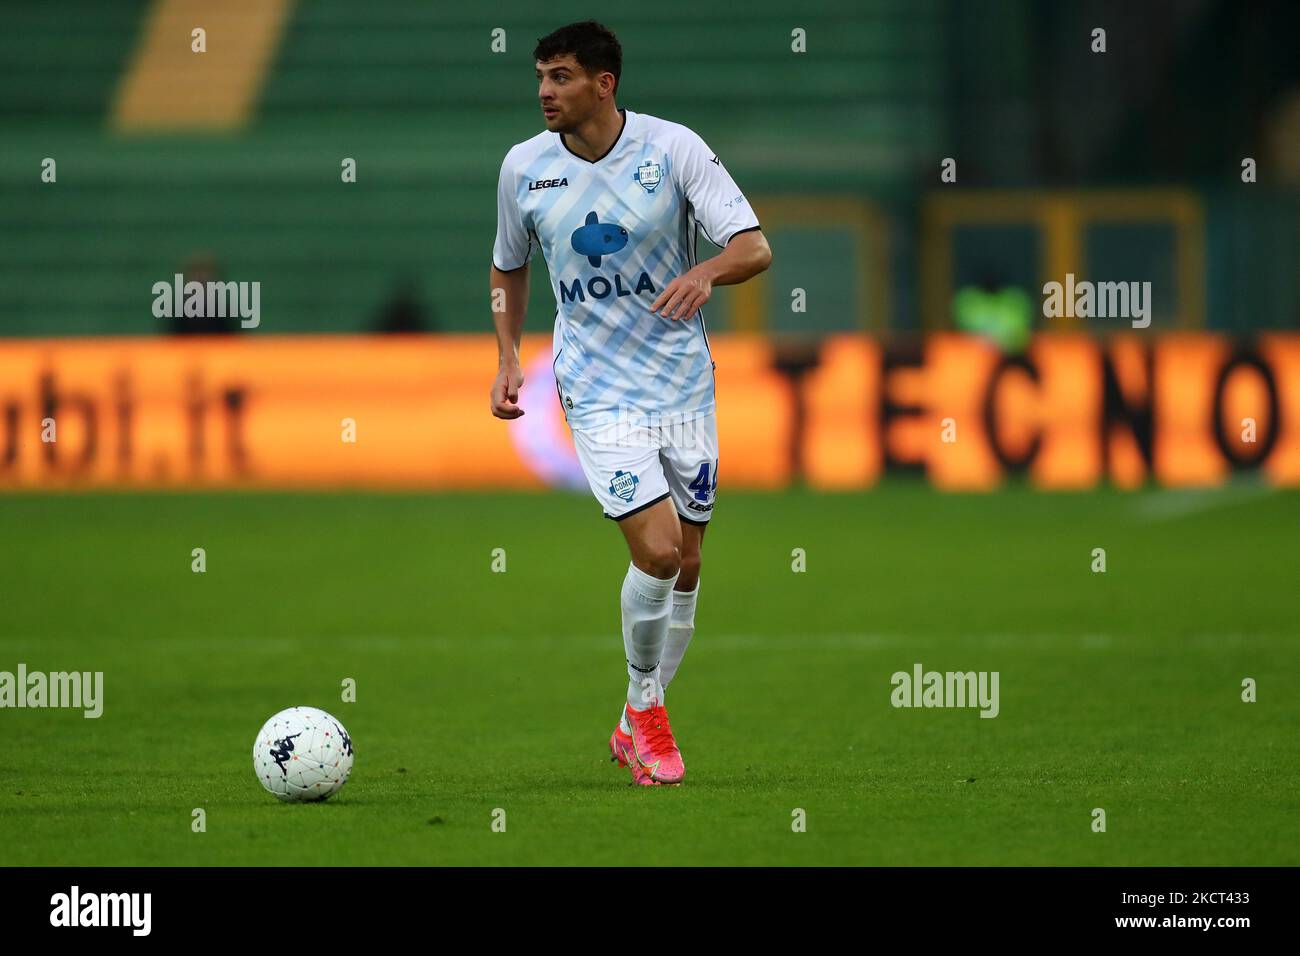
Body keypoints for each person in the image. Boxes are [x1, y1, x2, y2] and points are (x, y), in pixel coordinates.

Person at [487, 21, 772, 785]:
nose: (545, 90)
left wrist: (708, 271)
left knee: (688, 565)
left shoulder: (673, 149)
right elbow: (508, 267)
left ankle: (628, 721)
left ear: (603, 84)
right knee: (656, 551)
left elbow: (754, 246)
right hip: (597, 387)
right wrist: (510, 356)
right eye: (541, 76)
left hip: (681, 384)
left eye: (560, 76)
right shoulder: (524, 168)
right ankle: (647, 710)